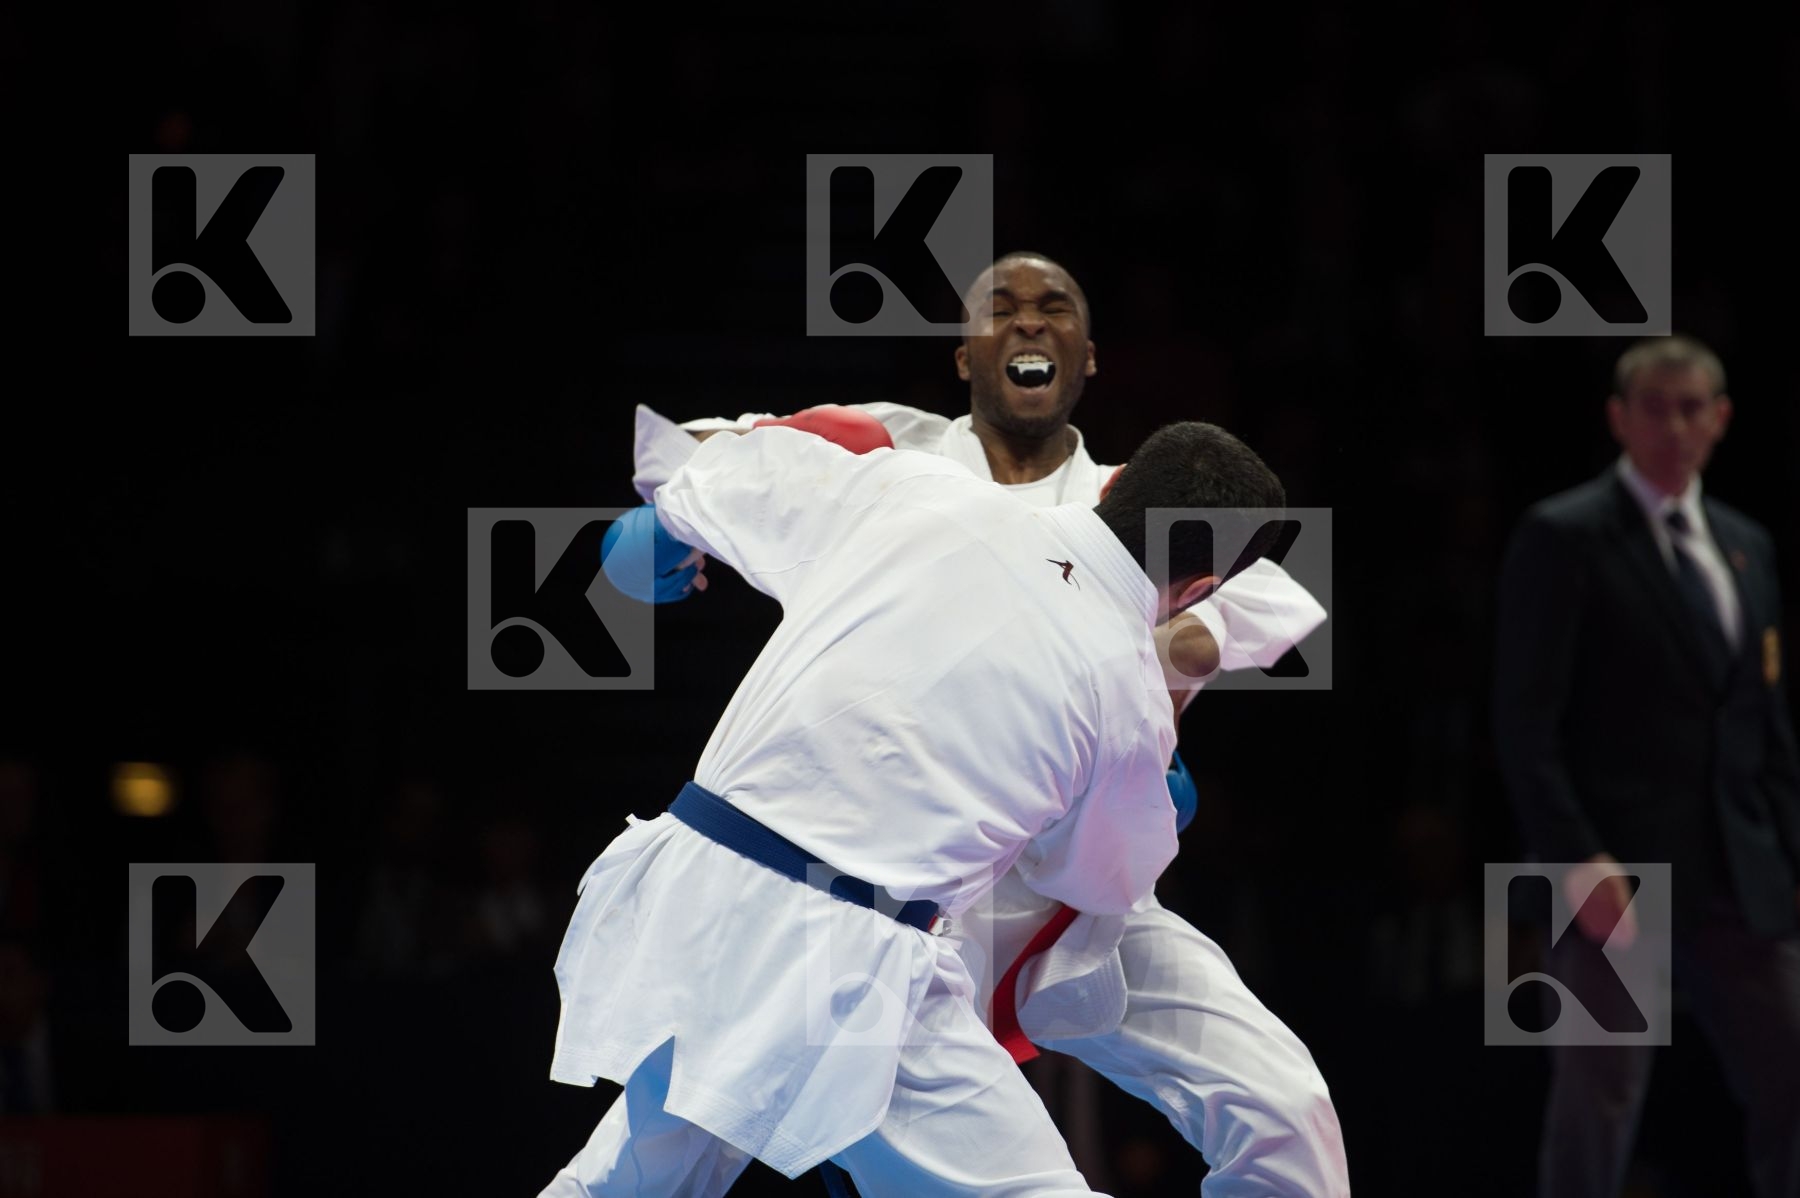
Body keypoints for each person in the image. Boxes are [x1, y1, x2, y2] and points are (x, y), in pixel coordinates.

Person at [621, 253, 1349, 1196]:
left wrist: (1158, 696)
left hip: (1077, 893)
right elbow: (703, 460)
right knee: (684, 1136)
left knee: (1286, 1111)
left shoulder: (1148, 506)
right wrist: (654, 538)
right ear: (963, 356)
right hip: (883, 890)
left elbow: (1253, 607)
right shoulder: (890, 460)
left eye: (1056, 309)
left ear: (1092, 358)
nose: (1029, 324)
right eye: (999, 309)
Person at [540, 419, 1285, 1196]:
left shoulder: (917, 489)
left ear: (1120, 488)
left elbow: (728, 470)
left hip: (692, 883)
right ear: (1200, 590)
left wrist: (662, 532)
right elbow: (1098, 888)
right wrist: (1147, 803)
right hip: (843, 959)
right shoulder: (1127, 694)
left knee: (634, 1176)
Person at [1493, 334, 1800, 1198]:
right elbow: (1524, 724)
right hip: (1610, 870)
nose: (1674, 426)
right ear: (1619, 419)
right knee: (1597, 1099)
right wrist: (1574, 858)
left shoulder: (1747, 546)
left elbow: (1764, 726)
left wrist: (1789, 856)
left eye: (1692, 407)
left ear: (1722, 419)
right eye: (1655, 408)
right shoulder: (1563, 534)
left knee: (1791, 1075)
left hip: (1741, 868)